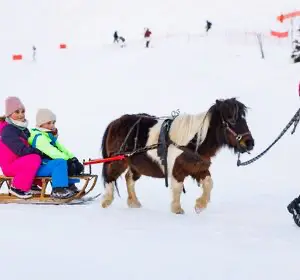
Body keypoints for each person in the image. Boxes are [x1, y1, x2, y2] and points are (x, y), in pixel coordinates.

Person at [28, 108, 84, 199]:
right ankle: (58, 190)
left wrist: (73, 159)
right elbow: (51, 151)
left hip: (45, 164)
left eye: (53, 122)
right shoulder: (39, 137)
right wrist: (67, 161)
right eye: (49, 123)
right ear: (40, 124)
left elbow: (61, 149)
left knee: (64, 163)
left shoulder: (48, 135)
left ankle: (69, 186)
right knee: (60, 163)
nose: (52, 125)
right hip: (38, 166)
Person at [0, 96, 42, 199]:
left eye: (22, 111)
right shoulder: (8, 130)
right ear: (9, 114)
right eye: (17, 112)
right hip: (10, 166)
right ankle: (17, 187)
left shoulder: (22, 129)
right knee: (34, 158)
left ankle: (31, 184)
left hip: (19, 163)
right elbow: (20, 150)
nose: (21, 115)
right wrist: (37, 152)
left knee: (37, 158)